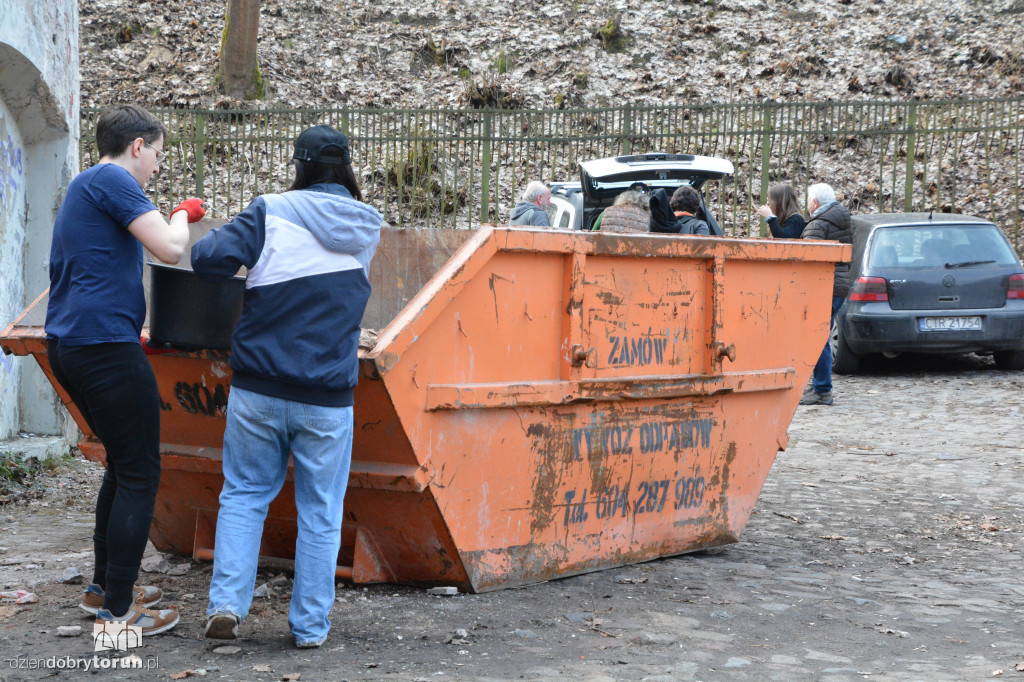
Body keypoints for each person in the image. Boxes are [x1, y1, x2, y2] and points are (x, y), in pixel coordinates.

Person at [192, 124, 382, 649]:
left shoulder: (270, 210)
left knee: (245, 495)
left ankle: (227, 605)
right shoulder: (367, 225)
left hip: (259, 388)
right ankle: (310, 628)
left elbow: (205, 259)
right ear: (347, 167)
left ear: (299, 165)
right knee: (321, 511)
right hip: (327, 398)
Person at [45, 105, 203, 636]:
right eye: (157, 154)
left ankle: (103, 589)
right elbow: (170, 249)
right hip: (104, 347)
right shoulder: (114, 180)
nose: (156, 165)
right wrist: (182, 213)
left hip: (73, 343)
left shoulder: (84, 185)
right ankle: (118, 612)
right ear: (137, 146)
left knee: (122, 464)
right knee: (140, 472)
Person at [799, 183, 852, 406]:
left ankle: (821, 389)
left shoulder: (818, 224)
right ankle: (819, 385)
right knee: (822, 336)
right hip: (838, 285)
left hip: (823, 287)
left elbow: (806, 259)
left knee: (817, 338)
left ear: (814, 202)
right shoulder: (841, 219)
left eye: (808, 201)